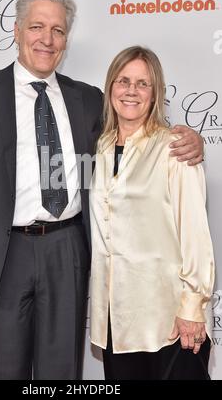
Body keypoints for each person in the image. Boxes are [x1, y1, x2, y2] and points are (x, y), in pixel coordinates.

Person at [0, 0, 203, 380]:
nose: (47, 39)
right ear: (16, 29)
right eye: (37, 27)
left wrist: (193, 140)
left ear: (67, 38)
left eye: (58, 30)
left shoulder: (89, 99)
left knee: (62, 374)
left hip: (68, 251)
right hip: (2, 257)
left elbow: (130, 144)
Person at [89, 46, 215, 380]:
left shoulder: (174, 148)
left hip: (169, 322)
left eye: (143, 83)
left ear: (156, 92)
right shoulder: (99, 147)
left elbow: (195, 234)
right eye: (123, 81)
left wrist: (192, 307)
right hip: (117, 324)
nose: (131, 90)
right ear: (110, 87)